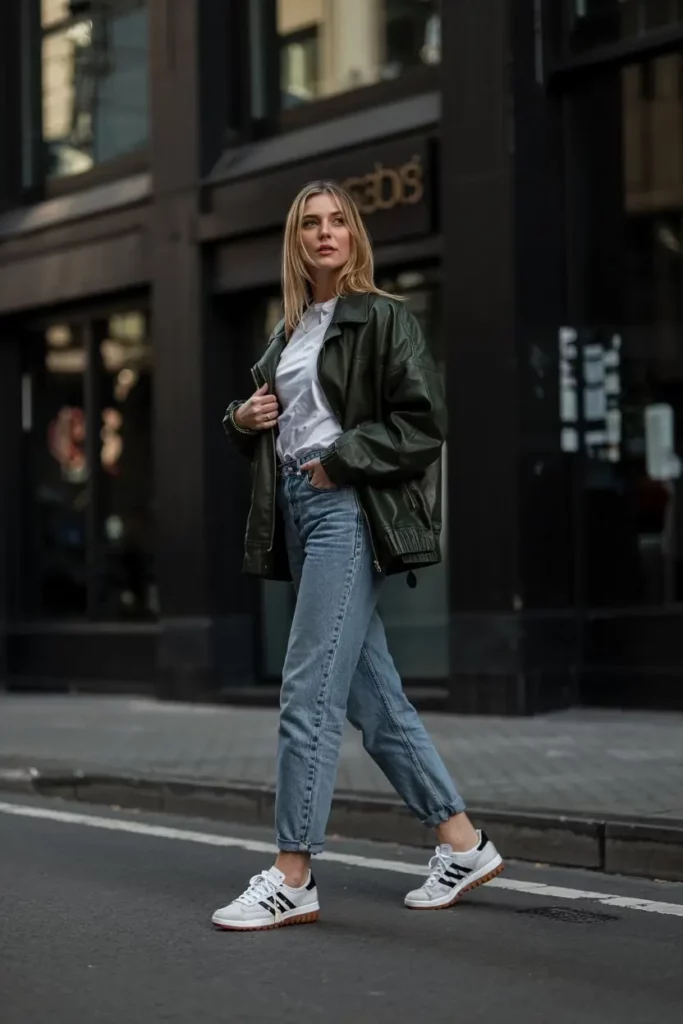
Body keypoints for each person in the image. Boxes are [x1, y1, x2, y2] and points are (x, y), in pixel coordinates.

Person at [213, 181, 503, 932]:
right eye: (309, 223)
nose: (324, 232)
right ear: (295, 241)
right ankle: (460, 842)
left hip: (345, 507)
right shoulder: (287, 335)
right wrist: (241, 416)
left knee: (307, 692)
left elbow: (423, 421)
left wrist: (341, 459)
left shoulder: (381, 318)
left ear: (354, 235)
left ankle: (292, 873)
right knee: (375, 702)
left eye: (337, 220)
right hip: (302, 513)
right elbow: (262, 421)